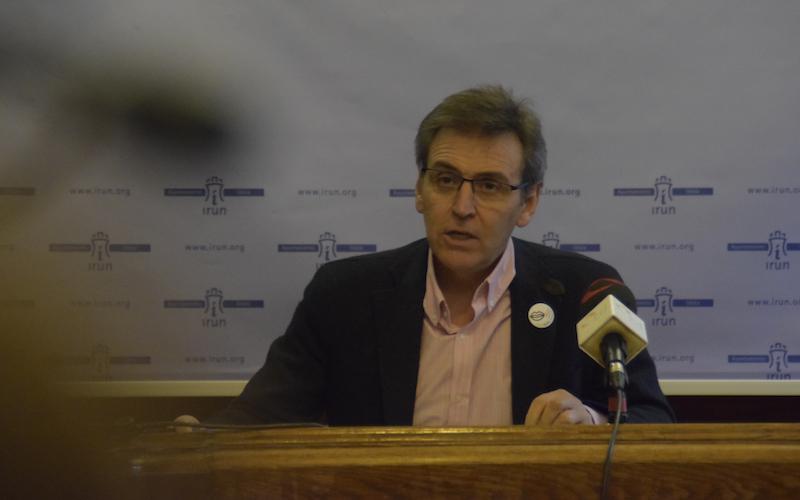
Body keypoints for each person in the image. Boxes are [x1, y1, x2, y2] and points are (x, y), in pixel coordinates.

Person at [195, 85, 674, 427]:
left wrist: (588, 421)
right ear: (420, 190)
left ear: (528, 203)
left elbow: (652, 420)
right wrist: (193, 441)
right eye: (445, 179)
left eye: (489, 186)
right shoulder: (343, 296)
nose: (462, 207)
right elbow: (255, 422)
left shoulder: (585, 295)